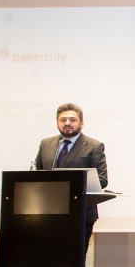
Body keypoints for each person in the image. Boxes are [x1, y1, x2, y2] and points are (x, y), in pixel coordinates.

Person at [35, 103, 108, 253]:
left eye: (72, 120)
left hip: (80, 214)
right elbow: (38, 173)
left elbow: (101, 179)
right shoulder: (46, 144)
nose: (67, 123)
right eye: (63, 120)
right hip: (48, 214)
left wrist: (67, 187)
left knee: (74, 258)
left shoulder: (94, 146)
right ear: (57, 123)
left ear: (81, 123)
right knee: (49, 258)